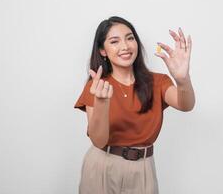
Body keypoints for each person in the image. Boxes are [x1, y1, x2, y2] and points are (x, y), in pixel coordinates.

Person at [74, 16, 195, 194]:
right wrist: (102, 103)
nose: (125, 46)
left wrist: (183, 80)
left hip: (143, 169)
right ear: (103, 51)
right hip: (102, 166)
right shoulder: (97, 87)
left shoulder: (158, 81)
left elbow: (186, 105)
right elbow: (98, 140)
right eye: (114, 41)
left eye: (130, 38)